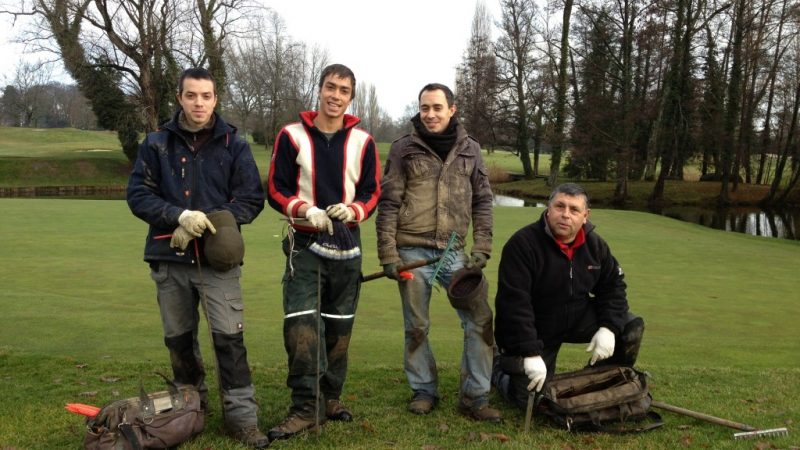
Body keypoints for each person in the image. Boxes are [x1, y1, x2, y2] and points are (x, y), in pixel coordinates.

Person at [126, 68, 269, 448]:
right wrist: (177, 216)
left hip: (219, 262)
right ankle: (190, 412)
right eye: (191, 96)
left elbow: (252, 199)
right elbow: (138, 195)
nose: (199, 103)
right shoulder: (156, 144)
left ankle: (242, 419)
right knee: (179, 341)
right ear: (180, 98)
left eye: (206, 96)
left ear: (215, 99)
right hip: (168, 256)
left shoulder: (233, 144)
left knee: (229, 340)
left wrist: (210, 223)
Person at [266, 63, 381, 441]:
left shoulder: (363, 142)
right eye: (330, 87)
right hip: (304, 243)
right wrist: (304, 210)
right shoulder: (291, 135)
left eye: (343, 90)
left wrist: (355, 211)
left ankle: (330, 398)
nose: (335, 95)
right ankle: (304, 407)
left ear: (351, 97)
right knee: (301, 323)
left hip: (348, 244)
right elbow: (276, 189)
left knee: (339, 325)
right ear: (319, 89)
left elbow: (371, 192)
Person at [376, 83, 500, 422]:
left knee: (479, 320)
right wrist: (388, 255)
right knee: (416, 326)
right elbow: (388, 203)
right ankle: (423, 390)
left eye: (436, 108)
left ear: (452, 110)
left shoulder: (470, 150)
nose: (429, 114)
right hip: (411, 252)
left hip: (453, 252)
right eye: (424, 107)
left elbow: (483, 200)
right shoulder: (404, 148)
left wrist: (483, 246)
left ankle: (475, 397)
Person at [492, 183, 645, 409]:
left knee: (630, 326)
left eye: (574, 209)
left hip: (577, 317)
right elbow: (514, 304)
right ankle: (497, 368)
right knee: (529, 401)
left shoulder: (596, 246)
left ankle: (599, 381)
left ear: (585, 215)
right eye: (559, 206)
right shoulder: (522, 244)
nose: (565, 214)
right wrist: (530, 352)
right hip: (536, 325)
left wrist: (608, 328)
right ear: (548, 209)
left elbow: (613, 287)